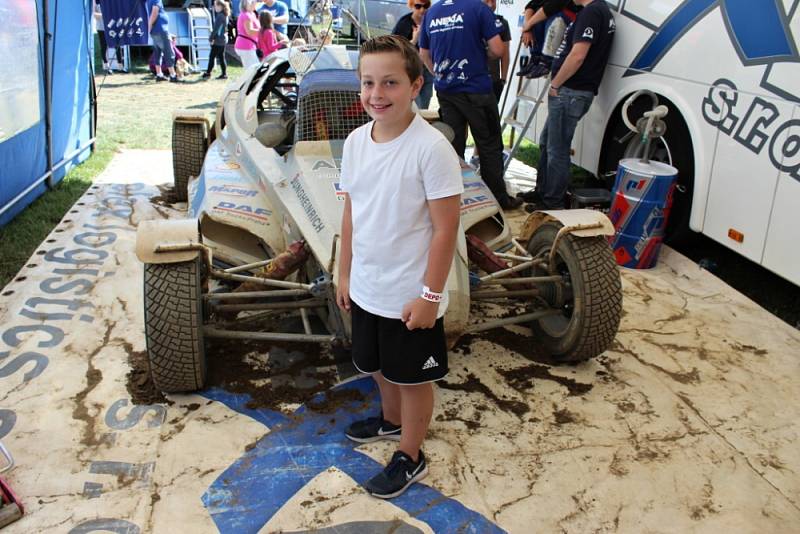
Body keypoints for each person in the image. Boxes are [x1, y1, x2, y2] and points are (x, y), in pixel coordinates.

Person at [337, 35, 463, 499]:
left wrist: (430, 297)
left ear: (415, 85)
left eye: (390, 82)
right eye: (368, 83)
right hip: (368, 284)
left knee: (412, 379)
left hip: (411, 294)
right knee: (374, 367)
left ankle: (411, 453)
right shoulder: (354, 142)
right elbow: (352, 210)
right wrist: (343, 271)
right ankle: (390, 423)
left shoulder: (431, 149)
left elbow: (446, 230)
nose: (377, 94)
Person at [419, 0, 522, 210]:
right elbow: (497, 48)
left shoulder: (432, 12)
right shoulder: (478, 8)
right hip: (476, 89)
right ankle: (497, 201)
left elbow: (423, 54)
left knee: (452, 146)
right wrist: (482, 56)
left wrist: (437, 74)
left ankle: (454, 201)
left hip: (446, 91)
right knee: (489, 144)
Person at [526, 0, 615, 209]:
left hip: (570, 92)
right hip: (570, 92)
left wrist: (556, 84)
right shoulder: (596, 11)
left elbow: (578, 55)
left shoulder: (592, 12)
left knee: (557, 150)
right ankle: (542, 192)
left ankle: (552, 202)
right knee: (547, 142)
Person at [470, 0, 511, 166]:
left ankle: (478, 156)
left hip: (492, 80)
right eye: (485, 0)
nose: (490, 4)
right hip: (472, 80)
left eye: (493, 0)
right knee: (472, 120)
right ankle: (473, 158)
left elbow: (505, 52)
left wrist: (504, 77)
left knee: (489, 121)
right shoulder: (470, 18)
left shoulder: (501, 22)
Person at [391, 0, 434, 110]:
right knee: (416, 104)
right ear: (411, 6)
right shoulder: (404, 23)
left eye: (426, 6)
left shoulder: (432, 21)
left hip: (427, 67)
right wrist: (414, 39)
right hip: (411, 68)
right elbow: (395, 50)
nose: (422, 10)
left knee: (425, 103)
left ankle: (421, 125)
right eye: (418, 6)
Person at [517, 0, 578, 78]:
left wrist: (528, 25)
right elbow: (530, 5)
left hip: (571, 17)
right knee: (536, 15)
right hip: (551, 13)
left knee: (552, 16)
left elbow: (552, 6)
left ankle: (546, 61)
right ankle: (535, 58)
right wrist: (527, 28)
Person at [146, 0, 179, 82]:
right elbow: (155, 13)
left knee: (158, 52)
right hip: (160, 30)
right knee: (168, 52)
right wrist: (149, 26)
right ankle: (173, 75)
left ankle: (159, 74)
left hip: (156, 30)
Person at [95, 1, 124, 75]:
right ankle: (107, 67)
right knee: (104, 46)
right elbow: (95, 15)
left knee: (118, 45)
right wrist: (105, 15)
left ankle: (120, 67)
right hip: (101, 27)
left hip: (113, 27)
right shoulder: (95, 1)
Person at [205, 0, 230, 79]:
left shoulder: (220, 16)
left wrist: (211, 38)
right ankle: (224, 74)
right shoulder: (225, 15)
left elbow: (216, 29)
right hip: (223, 39)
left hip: (218, 40)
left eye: (215, 5)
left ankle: (208, 73)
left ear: (220, 6)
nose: (214, 7)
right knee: (221, 57)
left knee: (212, 56)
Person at [235, 0, 261, 68]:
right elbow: (250, 32)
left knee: (252, 69)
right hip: (246, 46)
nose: (257, 3)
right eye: (255, 2)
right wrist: (264, 31)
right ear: (249, 4)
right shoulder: (246, 15)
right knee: (254, 69)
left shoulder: (252, 14)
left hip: (248, 45)